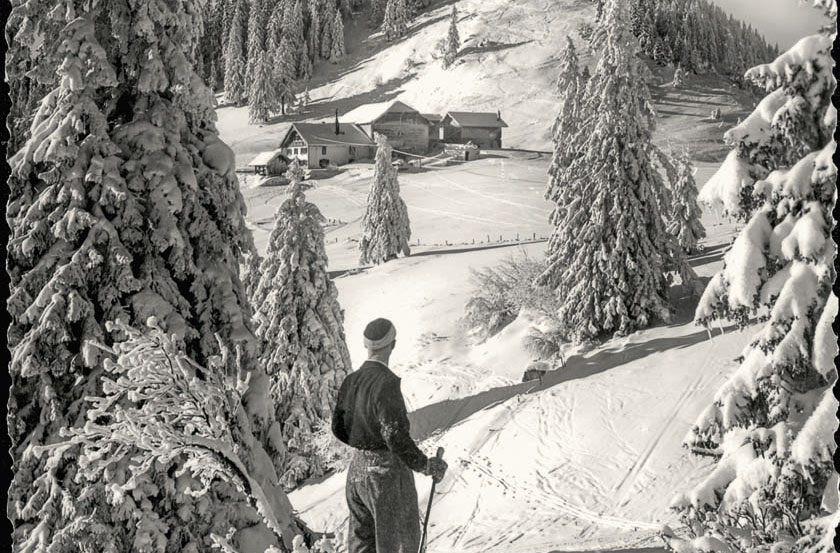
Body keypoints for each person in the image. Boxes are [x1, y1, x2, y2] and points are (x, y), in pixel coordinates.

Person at [332, 318, 448, 553]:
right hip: (386, 476)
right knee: (398, 545)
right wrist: (424, 464)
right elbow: (393, 435)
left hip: (356, 472)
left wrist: (364, 445)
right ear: (392, 345)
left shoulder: (350, 381)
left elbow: (337, 428)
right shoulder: (387, 383)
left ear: (367, 346)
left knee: (361, 545)